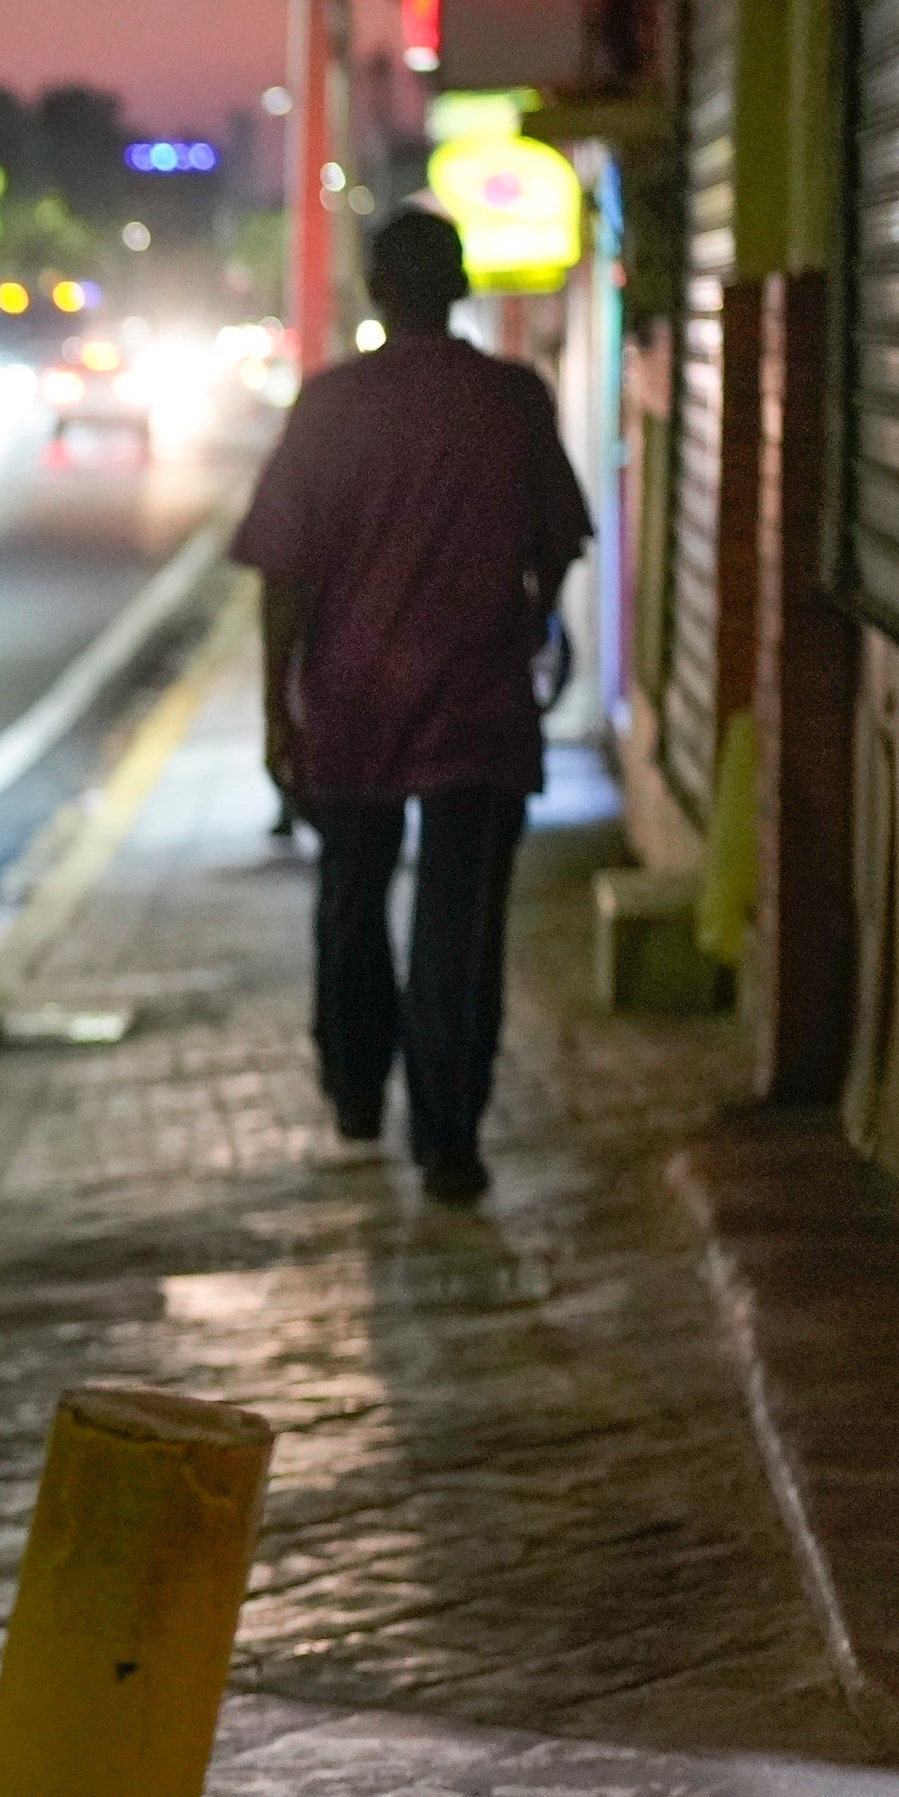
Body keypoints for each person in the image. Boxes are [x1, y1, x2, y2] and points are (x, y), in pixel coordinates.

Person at [234, 202, 593, 1206]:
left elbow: (282, 574)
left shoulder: (329, 406)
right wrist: (530, 620)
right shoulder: (513, 400)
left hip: (352, 704)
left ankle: (357, 1089)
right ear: (462, 285)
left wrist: (277, 708)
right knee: (460, 923)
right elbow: (559, 542)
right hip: (479, 704)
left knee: (352, 900)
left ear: (376, 290)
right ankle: (449, 1137)